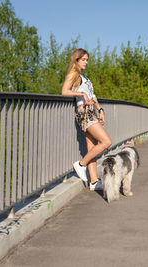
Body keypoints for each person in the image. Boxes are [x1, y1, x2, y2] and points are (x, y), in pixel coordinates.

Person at [62, 48, 112, 191]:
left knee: (92, 147)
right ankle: (81, 164)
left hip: (91, 112)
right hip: (84, 113)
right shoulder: (74, 73)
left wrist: (100, 109)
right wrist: (81, 94)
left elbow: (92, 95)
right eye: (83, 59)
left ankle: (94, 182)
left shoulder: (83, 76)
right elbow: (64, 91)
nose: (86, 62)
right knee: (106, 142)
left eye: (87, 60)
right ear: (76, 60)